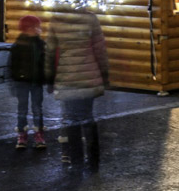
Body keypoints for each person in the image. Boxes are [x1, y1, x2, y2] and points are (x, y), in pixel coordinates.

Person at [46, 9, 110, 171]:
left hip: (66, 78)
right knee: (87, 118)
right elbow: (100, 50)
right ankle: (94, 161)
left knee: (71, 120)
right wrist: (104, 75)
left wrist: (49, 78)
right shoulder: (90, 18)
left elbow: (50, 53)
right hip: (88, 77)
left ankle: (76, 161)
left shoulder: (56, 19)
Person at [10, 15, 47, 149]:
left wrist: (46, 78)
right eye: (37, 27)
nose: (39, 29)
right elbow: (13, 64)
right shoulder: (19, 45)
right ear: (29, 28)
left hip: (36, 81)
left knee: (37, 108)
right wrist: (14, 80)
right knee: (22, 109)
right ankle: (22, 134)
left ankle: (39, 134)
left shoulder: (41, 44)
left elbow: (44, 63)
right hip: (22, 82)